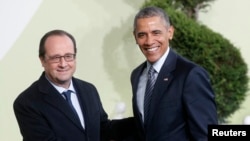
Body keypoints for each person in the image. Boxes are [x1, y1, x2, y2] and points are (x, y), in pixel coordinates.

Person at [13, 29, 134, 141]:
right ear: (42, 60)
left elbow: (103, 129)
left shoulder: (89, 90)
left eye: (68, 56)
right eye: (56, 58)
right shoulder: (27, 103)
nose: (63, 64)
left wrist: (143, 120)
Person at [130, 6, 218, 141]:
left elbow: (205, 134)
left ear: (170, 32)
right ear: (135, 37)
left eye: (156, 33)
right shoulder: (137, 75)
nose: (149, 41)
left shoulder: (191, 75)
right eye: (142, 35)